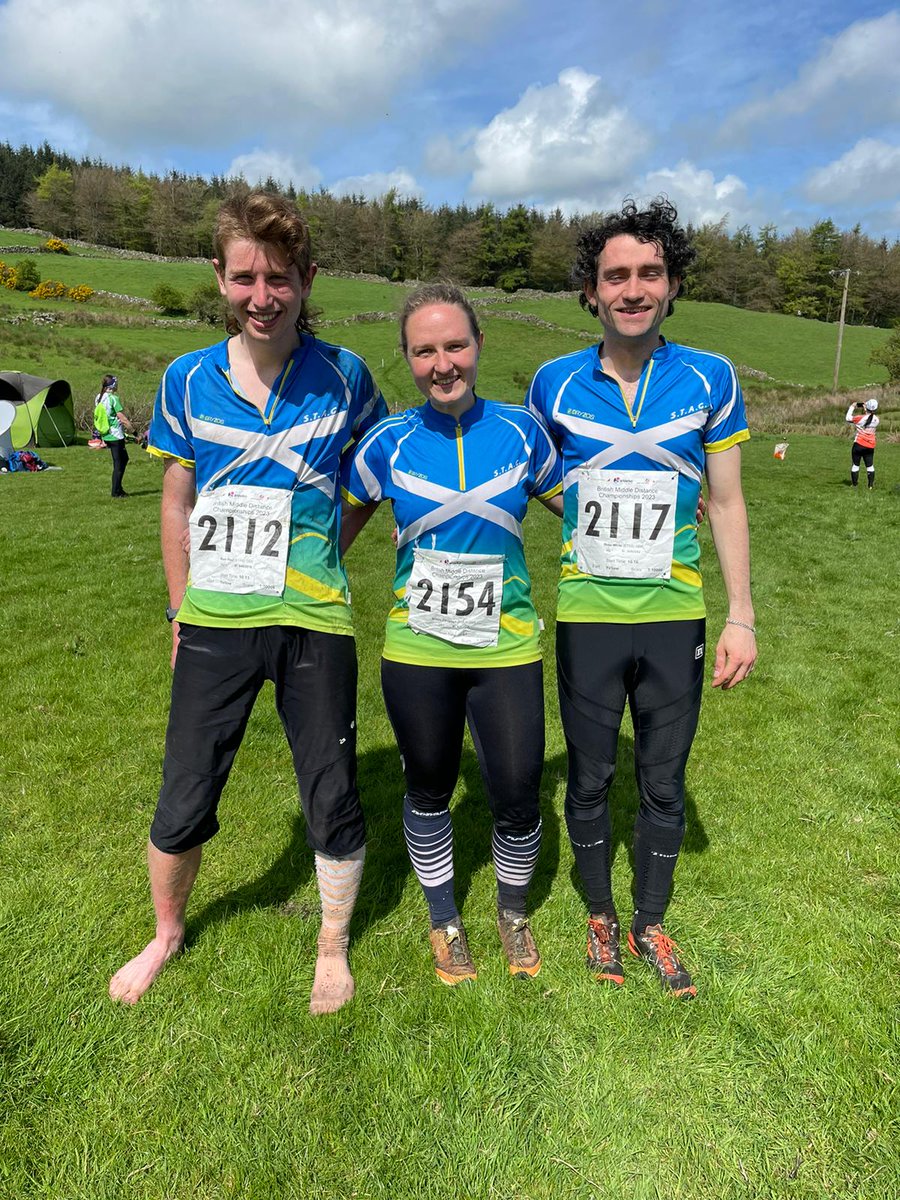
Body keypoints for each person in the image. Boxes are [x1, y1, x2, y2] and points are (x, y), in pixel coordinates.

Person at [109, 192, 387, 1013]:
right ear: (221, 280)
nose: (260, 297)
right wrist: (178, 607)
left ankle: (331, 947)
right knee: (186, 788)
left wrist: (325, 549)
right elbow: (174, 498)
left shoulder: (347, 377)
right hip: (216, 620)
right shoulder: (187, 378)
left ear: (307, 279)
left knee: (331, 787)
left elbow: (367, 484)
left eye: (277, 279)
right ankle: (166, 931)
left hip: (313, 620)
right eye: (244, 279)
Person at [526, 198, 757, 998]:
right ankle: (598, 914)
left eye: (648, 273)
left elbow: (726, 504)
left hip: (674, 617)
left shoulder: (710, 377)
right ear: (591, 292)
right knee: (588, 780)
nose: (632, 288)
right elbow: (533, 478)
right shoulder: (552, 383)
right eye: (615, 275)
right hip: (588, 616)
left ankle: (649, 920)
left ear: (672, 284)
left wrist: (742, 616)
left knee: (663, 781)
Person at [342, 284, 563, 984]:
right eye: (425, 350)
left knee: (520, 788)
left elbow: (580, 504)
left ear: (479, 345)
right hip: (418, 651)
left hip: (506, 647)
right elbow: (328, 540)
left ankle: (513, 910)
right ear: (407, 358)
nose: (443, 363)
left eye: (455, 345)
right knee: (430, 786)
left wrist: (673, 495)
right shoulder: (385, 444)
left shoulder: (524, 433)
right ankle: (444, 918)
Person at [95, 374, 133, 497]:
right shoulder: (113, 398)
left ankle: (118, 488)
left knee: (123, 459)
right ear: (113, 385)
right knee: (119, 463)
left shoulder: (98, 398)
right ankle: (116, 491)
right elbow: (122, 418)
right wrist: (134, 432)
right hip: (115, 435)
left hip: (106, 434)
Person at [846, 398, 879, 489]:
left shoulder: (860, 418)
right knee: (870, 466)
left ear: (866, 408)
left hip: (859, 445)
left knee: (856, 465)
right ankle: (870, 486)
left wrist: (852, 406)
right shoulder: (877, 420)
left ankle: (855, 485)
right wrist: (866, 408)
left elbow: (848, 418)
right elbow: (869, 418)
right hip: (870, 446)